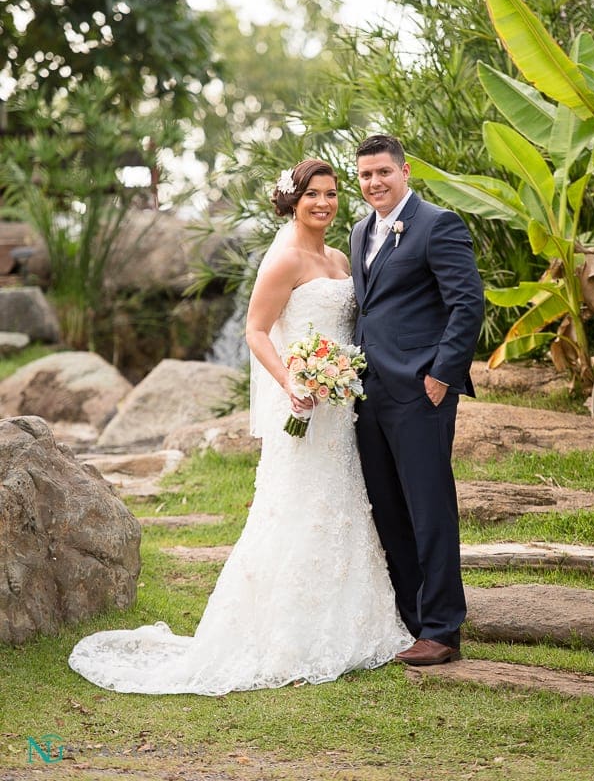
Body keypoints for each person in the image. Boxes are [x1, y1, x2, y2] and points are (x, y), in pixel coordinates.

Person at [68, 158, 410, 695]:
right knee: (297, 508)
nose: (323, 203)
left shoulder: (342, 256)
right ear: (292, 201)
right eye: (312, 195)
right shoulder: (284, 259)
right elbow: (255, 331)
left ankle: (355, 622)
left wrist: (336, 378)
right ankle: (285, 636)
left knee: (344, 506)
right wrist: (293, 384)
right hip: (303, 403)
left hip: (340, 407)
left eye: (331, 193)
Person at [350, 134, 484, 666]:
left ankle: (443, 629)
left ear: (405, 172)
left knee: (429, 509)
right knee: (389, 509)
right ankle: (411, 620)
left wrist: (442, 375)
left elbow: (467, 303)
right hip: (366, 392)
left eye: (384, 172)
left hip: (419, 391)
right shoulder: (361, 230)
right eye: (365, 176)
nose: (375, 183)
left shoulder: (438, 224)